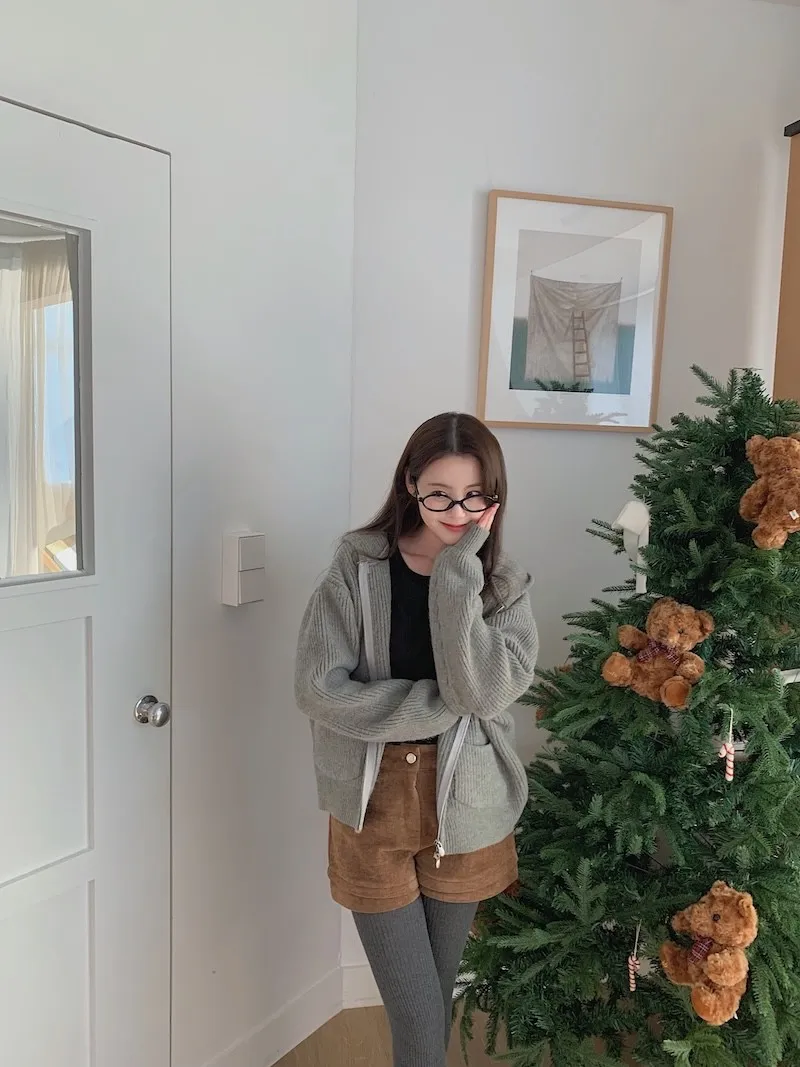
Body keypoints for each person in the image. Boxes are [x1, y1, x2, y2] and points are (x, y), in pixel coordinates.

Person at [295, 412, 538, 1067]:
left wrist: (458, 569)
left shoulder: (503, 585)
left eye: (473, 497)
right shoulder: (357, 567)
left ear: (494, 497)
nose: (457, 513)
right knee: (414, 1004)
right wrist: (434, 708)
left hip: (467, 799)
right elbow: (318, 688)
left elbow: (484, 692)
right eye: (439, 495)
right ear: (409, 484)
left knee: (433, 993)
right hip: (371, 800)